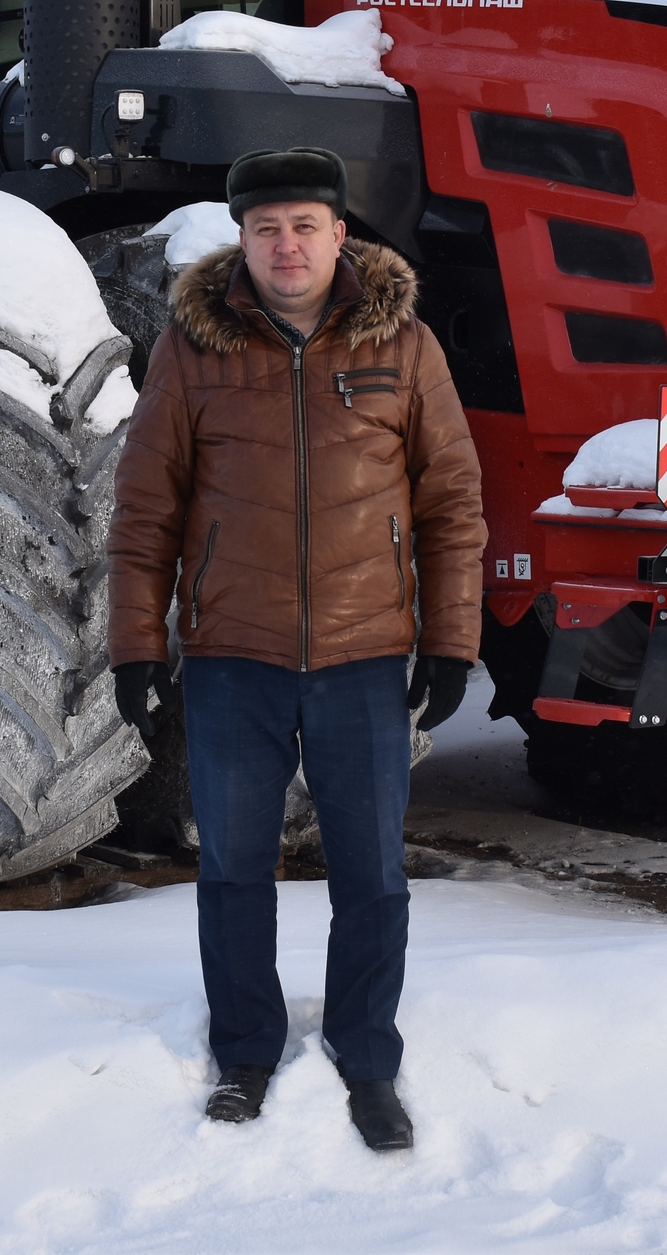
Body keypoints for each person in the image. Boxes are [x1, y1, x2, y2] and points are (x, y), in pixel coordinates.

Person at [107, 146, 486, 1153]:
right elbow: (146, 510)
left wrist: (449, 639)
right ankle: (243, 1053)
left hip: (366, 656)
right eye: (266, 227)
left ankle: (368, 1058)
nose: (287, 245)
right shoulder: (192, 350)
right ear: (241, 237)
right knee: (234, 868)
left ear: (338, 235)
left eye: (304, 226)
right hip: (233, 657)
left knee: (372, 874)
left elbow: (452, 503)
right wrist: (136, 647)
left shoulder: (403, 347)